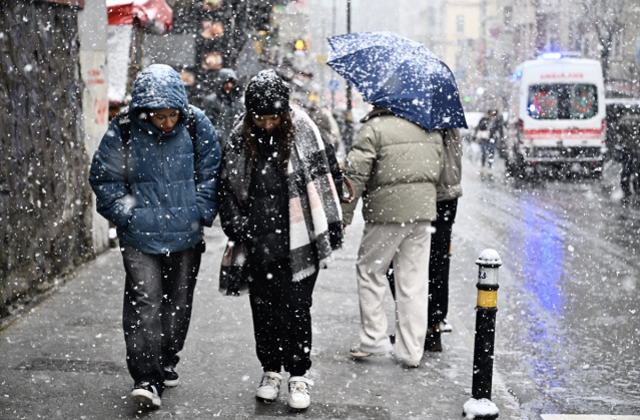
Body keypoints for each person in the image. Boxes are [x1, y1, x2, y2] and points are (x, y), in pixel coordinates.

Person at [89, 64, 221, 409]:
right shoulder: (125, 130)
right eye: (160, 117)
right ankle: (145, 377)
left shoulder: (195, 124)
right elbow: (104, 178)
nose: (168, 123)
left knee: (178, 304)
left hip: (185, 234)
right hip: (140, 237)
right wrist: (125, 215)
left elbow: (212, 170)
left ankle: (166, 358)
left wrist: (200, 211)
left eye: (172, 115)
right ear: (145, 112)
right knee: (144, 303)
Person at [217, 69, 343, 411]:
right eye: (260, 117)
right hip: (257, 241)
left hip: (298, 242)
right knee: (264, 309)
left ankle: (299, 374)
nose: (267, 124)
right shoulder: (239, 137)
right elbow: (226, 186)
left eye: (273, 117)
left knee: (297, 309)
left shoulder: (305, 132)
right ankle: (271, 370)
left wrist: (326, 224)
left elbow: (326, 179)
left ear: (284, 112)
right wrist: (235, 224)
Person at [342, 106, 443, 368]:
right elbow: (438, 168)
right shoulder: (428, 126)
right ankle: (411, 351)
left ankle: (374, 338)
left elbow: (355, 175)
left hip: (386, 212)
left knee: (370, 271)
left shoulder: (374, 129)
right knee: (413, 282)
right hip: (422, 214)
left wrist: (343, 216)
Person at [386, 128, 462, 353]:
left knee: (401, 261)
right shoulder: (444, 113)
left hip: (430, 194)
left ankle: (422, 326)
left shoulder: (426, 119)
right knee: (437, 263)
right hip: (445, 196)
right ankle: (431, 327)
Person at [202, 68, 245, 147]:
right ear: (220, 83)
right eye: (226, 82)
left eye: (231, 82)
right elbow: (209, 123)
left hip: (234, 145)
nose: (228, 85)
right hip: (218, 144)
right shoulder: (211, 101)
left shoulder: (238, 102)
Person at [474, 109, 504, 176]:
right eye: (491, 113)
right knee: (484, 153)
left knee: (491, 154)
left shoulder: (497, 120)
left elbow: (500, 129)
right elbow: (479, 127)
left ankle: (489, 168)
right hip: (484, 139)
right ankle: (482, 166)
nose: (492, 114)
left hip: (493, 139)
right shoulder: (484, 119)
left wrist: (501, 139)